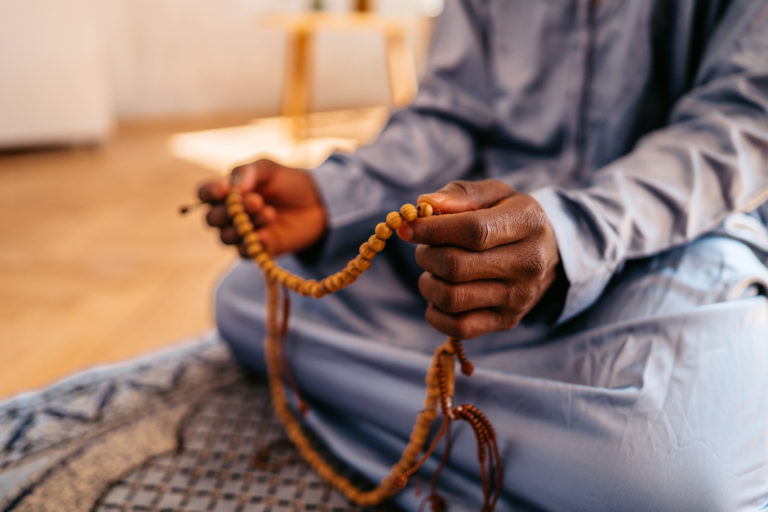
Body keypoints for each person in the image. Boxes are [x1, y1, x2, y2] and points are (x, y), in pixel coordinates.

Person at [198, 1, 768, 510]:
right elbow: (448, 113)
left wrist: (571, 236)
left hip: (663, 241)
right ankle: (559, 442)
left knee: (681, 485)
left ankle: (454, 424)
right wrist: (334, 197)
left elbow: (735, 125)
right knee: (244, 300)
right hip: (475, 243)